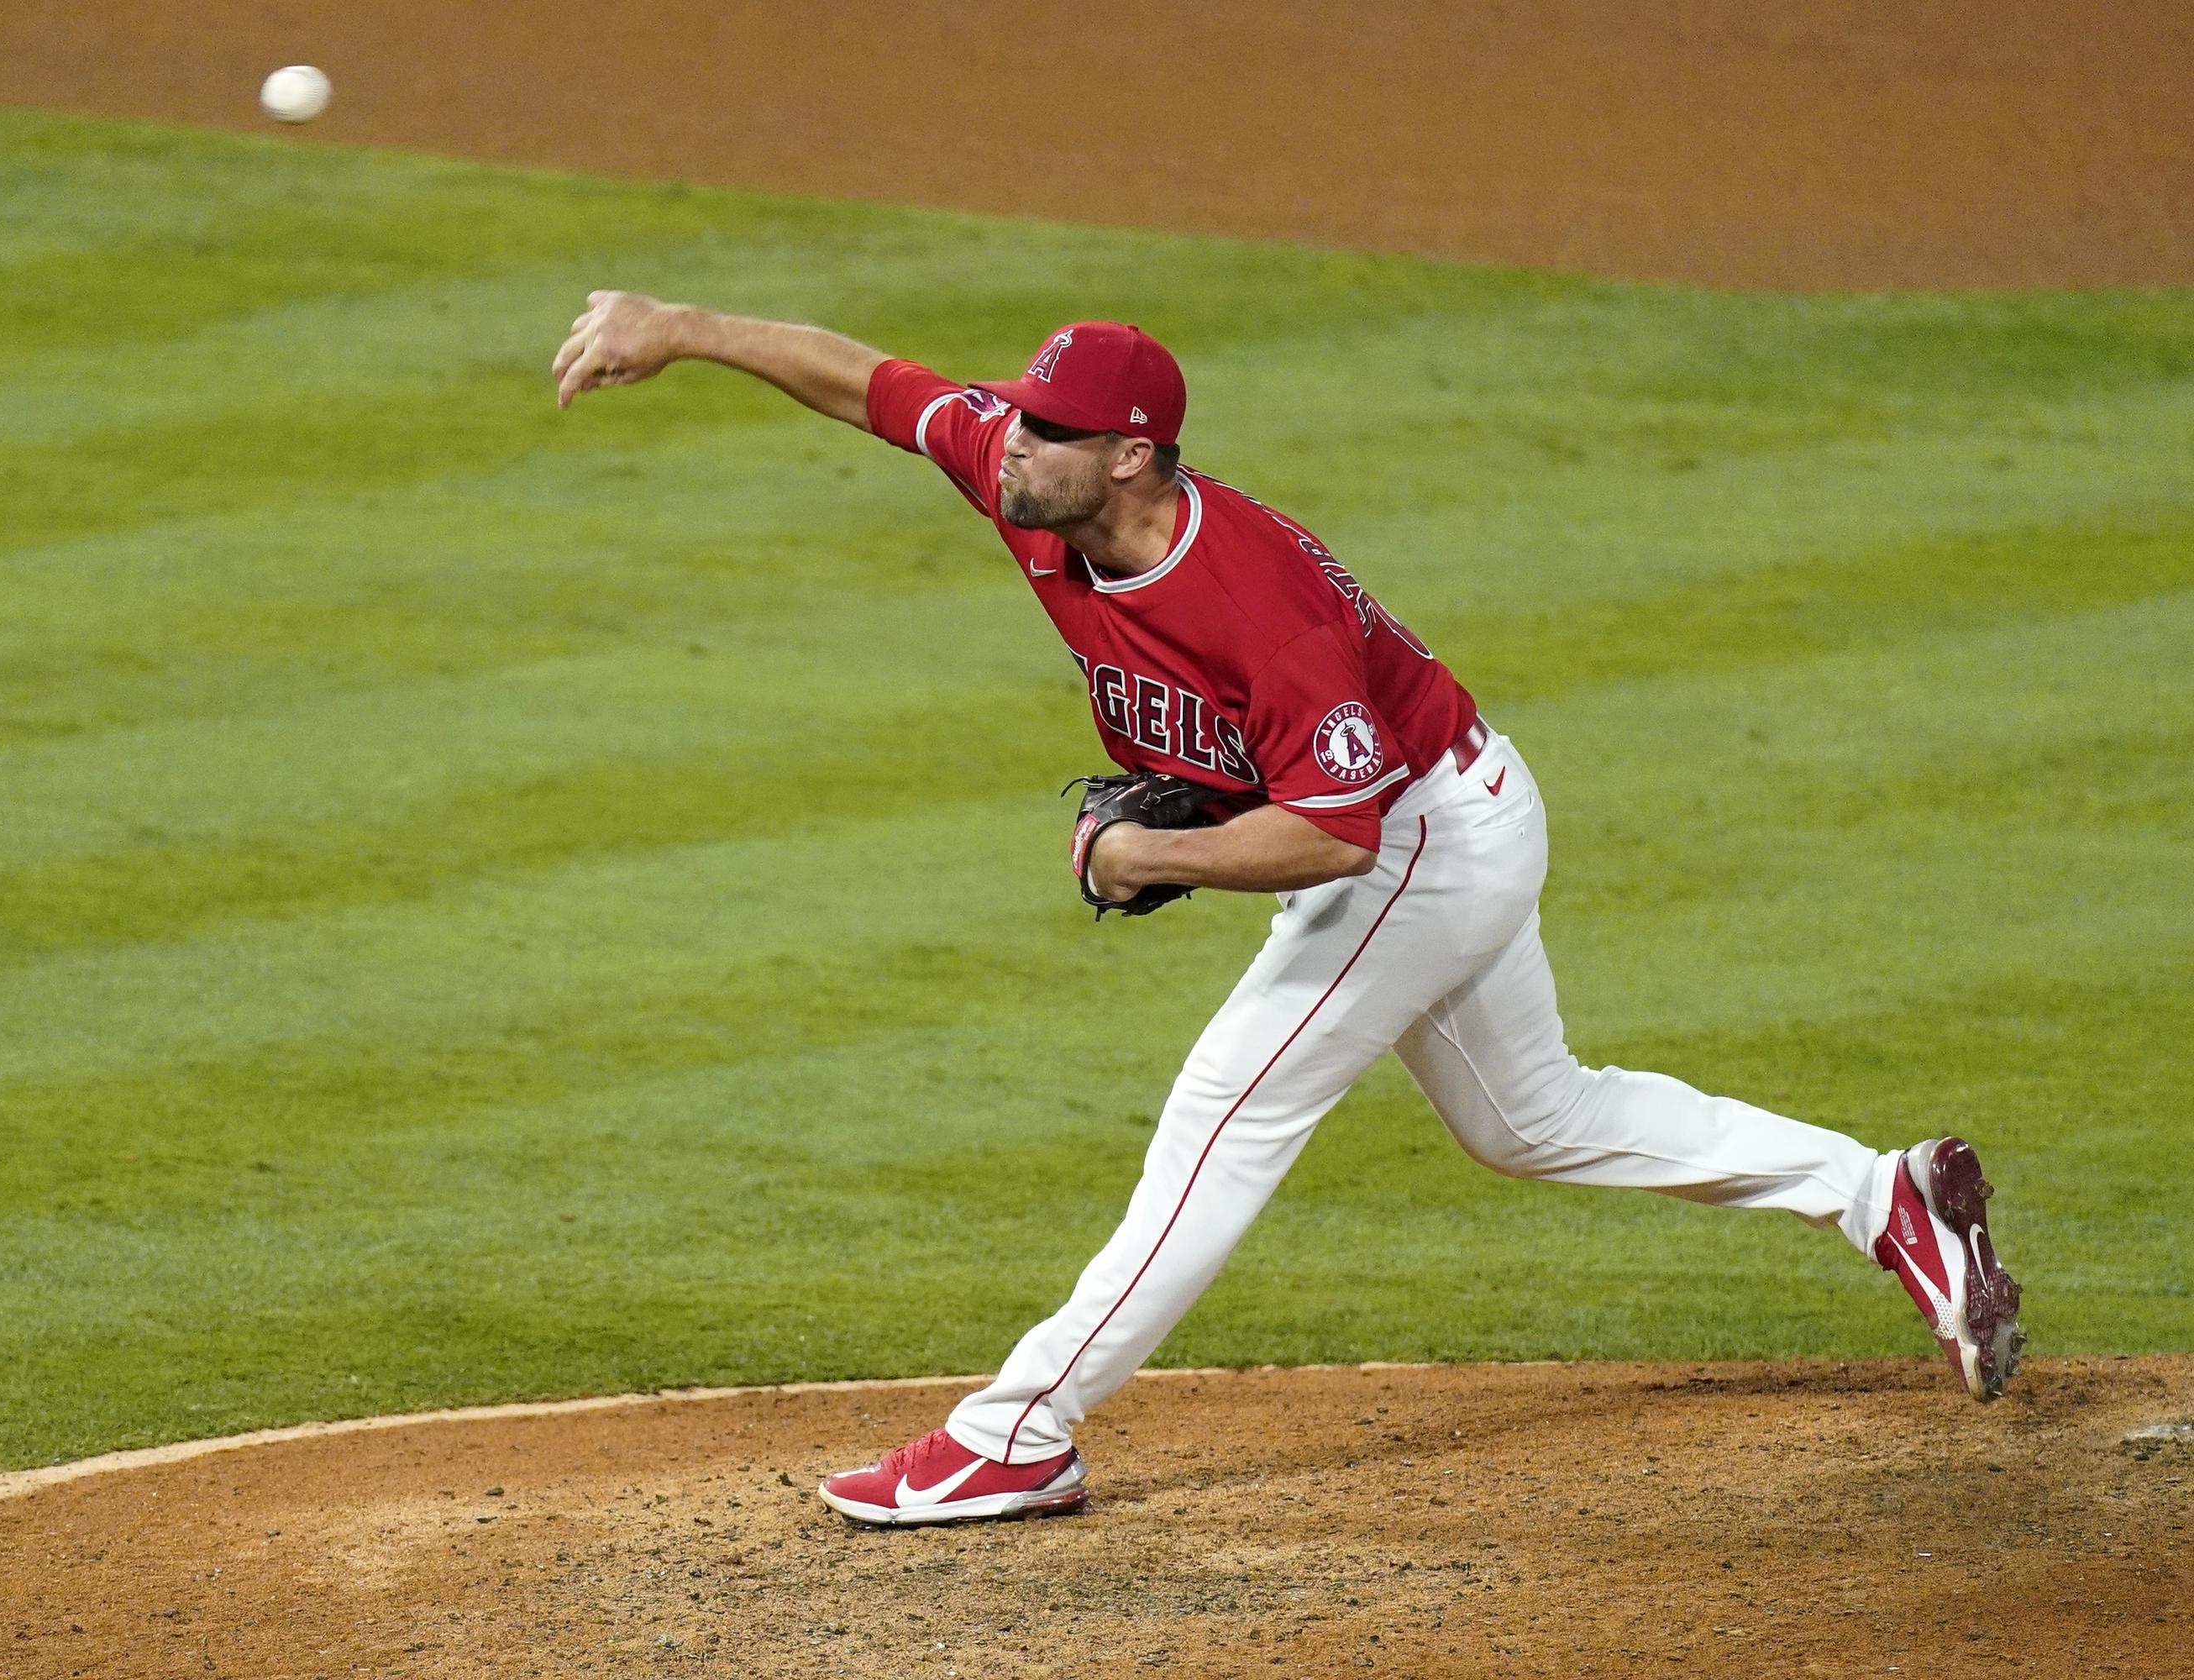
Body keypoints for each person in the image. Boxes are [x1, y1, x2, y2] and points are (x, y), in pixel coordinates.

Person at [550, 293, 2024, 1528]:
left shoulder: (1257, 600)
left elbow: (1334, 838)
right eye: (1021, 419)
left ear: (1134, 454)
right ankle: (1879, 1192)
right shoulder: (1032, 478)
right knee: (1533, 1122)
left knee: (1227, 1110)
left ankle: (1020, 1430)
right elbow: (877, 387)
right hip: (1449, 812)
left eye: (1051, 432)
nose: (1015, 445)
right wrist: (677, 326)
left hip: (1420, 845)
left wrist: (1141, 862)